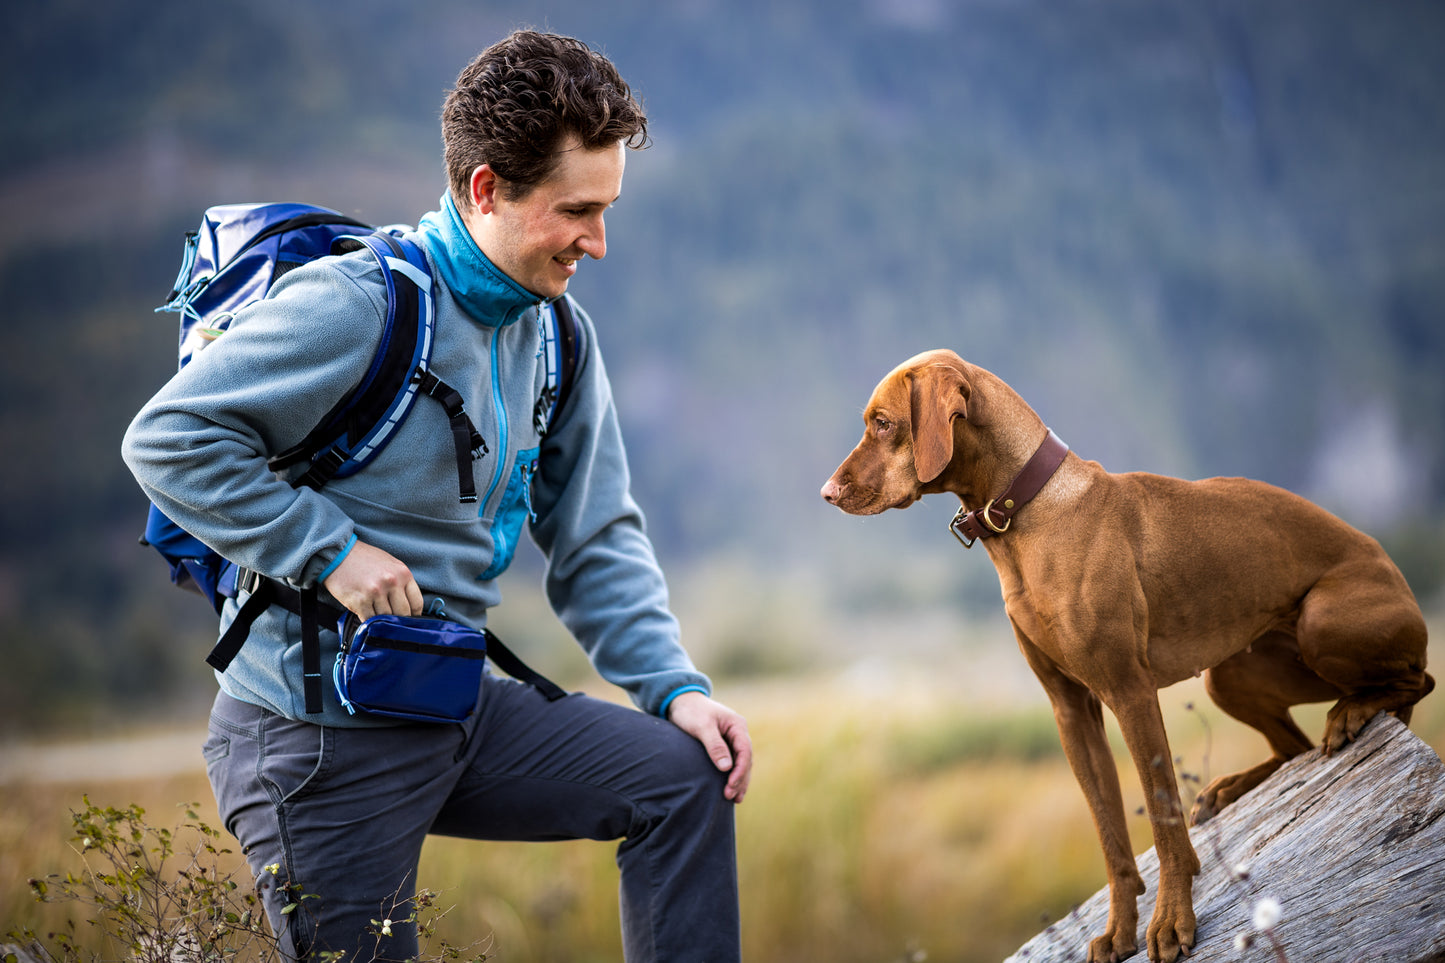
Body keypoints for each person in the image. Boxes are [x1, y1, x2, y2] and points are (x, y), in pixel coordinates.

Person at [122, 30, 751, 963]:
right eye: (577, 210)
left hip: (451, 702)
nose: (599, 242)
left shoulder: (558, 336)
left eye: (608, 208)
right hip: (315, 739)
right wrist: (328, 549)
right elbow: (166, 438)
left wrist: (673, 689)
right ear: (487, 189)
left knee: (681, 779)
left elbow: (597, 538)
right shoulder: (357, 306)